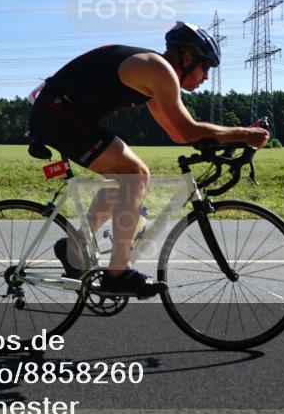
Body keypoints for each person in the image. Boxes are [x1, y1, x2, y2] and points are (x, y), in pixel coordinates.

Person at [27, 21, 271, 298]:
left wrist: (235, 137)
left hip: (58, 111)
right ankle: (118, 273)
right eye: (206, 67)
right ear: (188, 58)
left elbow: (178, 133)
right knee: (135, 174)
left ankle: (75, 246)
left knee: (127, 178)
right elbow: (187, 130)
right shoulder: (159, 70)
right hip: (58, 113)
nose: (206, 76)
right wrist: (243, 134)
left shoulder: (154, 75)